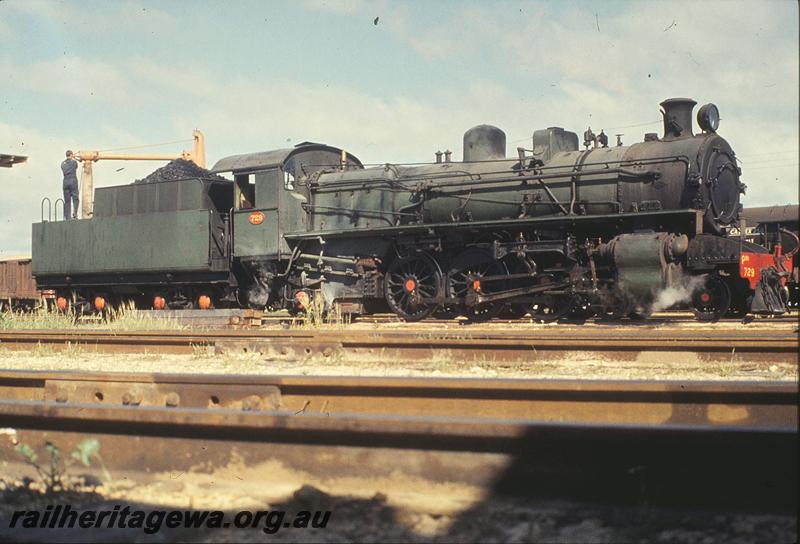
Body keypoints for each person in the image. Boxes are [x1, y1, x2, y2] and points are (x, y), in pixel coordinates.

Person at [61, 150, 79, 219]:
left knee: (67, 200)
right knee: (75, 198)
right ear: (71, 155)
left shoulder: (62, 163)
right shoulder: (74, 162)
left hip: (65, 181)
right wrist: (73, 158)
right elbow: (76, 166)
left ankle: (67, 217)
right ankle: (75, 213)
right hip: (72, 180)